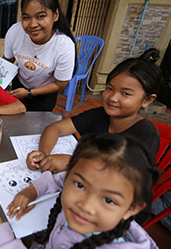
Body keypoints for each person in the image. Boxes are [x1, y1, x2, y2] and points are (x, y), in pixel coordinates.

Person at [0, 134, 160, 249]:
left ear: (132, 209)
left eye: (108, 200)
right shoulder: (87, 200)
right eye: (80, 185)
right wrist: (31, 191)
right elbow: (60, 179)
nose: (85, 205)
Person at [27, 49, 163, 174]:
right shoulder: (100, 115)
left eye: (126, 94)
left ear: (147, 100)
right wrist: (44, 154)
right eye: (109, 88)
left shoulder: (146, 134)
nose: (113, 98)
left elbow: (127, 177)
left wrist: (74, 162)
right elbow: (55, 128)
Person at [4, 0, 76, 111]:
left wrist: (30, 93)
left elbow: (60, 83)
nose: (33, 24)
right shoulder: (15, 32)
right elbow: (7, 61)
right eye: (26, 17)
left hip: (45, 94)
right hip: (18, 87)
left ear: (55, 15)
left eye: (41, 16)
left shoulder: (64, 46)